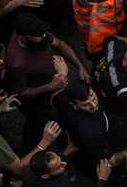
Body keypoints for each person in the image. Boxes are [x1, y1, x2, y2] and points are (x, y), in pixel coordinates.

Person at [5, 12, 88, 143]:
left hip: (53, 84)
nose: (44, 36)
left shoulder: (36, 33)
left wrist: (80, 66)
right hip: (38, 103)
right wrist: (52, 85)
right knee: (42, 123)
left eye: (43, 32)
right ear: (22, 37)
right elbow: (19, 93)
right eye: (38, 36)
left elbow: (59, 44)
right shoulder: (17, 63)